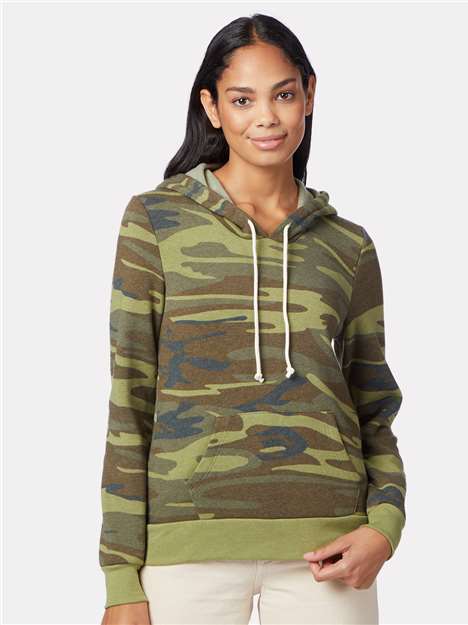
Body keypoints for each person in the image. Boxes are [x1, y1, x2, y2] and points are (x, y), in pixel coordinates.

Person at [99, 13, 407, 625]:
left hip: (331, 545)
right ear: (211, 108)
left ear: (309, 94)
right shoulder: (156, 221)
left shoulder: (348, 245)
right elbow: (130, 397)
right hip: (187, 545)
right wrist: (120, 578)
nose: (266, 116)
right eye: (242, 99)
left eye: (283, 94)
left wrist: (386, 525)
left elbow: (374, 401)